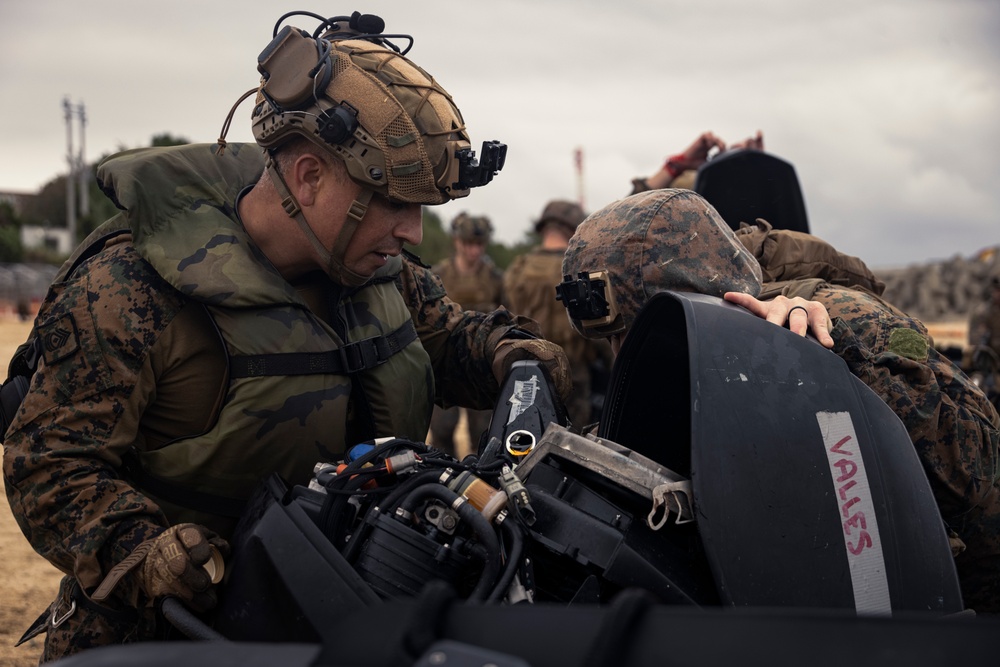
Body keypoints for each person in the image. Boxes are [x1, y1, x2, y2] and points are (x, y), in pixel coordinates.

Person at [2, 12, 570, 661]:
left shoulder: (381, 271)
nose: (412, 232)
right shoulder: (130, 289)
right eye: (394, 201)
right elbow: (49, 462)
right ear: (309, 175)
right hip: (171, 637)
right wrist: (145, 551)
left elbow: (447, 339)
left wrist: (508, 353)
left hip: (348, 615)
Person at [560, 188, 1000, 614]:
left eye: (629, 335)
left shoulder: (847, 318)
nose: (620, 353)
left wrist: (833, 352)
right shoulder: (685, 346)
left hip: (962, 595)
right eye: (611, 340)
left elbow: (977, 467)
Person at [504, 200, 613, 432]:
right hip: (574, 374)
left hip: (527, 369)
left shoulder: (517, 270)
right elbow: (599, 327)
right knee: (574, 445)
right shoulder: (579, 271)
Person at [429, 212, 505, 457]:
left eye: (479, 245)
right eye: (469, 244)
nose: (474, 251)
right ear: (457, 242)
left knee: (484, 433)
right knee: (441, 430)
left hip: (481, 365)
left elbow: (506, 317)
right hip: (445, 364)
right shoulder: (438, 276)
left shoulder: (495, 279)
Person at [630, 130, 765, 193]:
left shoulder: (773, 237)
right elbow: (627, 218)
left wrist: (763, 169)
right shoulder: (690, 186)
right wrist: (676, 166)